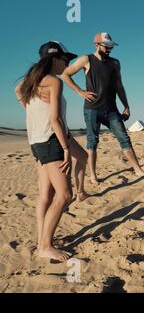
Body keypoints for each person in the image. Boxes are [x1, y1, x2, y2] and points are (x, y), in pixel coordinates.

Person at [15, 41, 89, 261]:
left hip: (38, 141)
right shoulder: (54, 82)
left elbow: (17, 89)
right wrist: (65, 148)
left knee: (47, 194)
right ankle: (45, 246)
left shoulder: (31, 81)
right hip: (51, 139)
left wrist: (30, 111)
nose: (66, 64)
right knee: (64, 195)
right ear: (54, 59)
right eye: (64, 60)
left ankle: (44, 239)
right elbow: (54, 119)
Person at [61, 32, 144, 184]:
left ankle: (138, 169)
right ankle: (93, 176)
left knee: (124, 138)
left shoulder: (115, 63)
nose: (108, 49)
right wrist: (80, 92)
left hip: (112, 109)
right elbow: (65, 74)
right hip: (92, 109)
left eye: (110, 46)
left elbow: (119, 86)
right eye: (106, 46)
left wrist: (126, 105)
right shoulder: (86, 59)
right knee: (92, 142)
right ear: (97, 45)